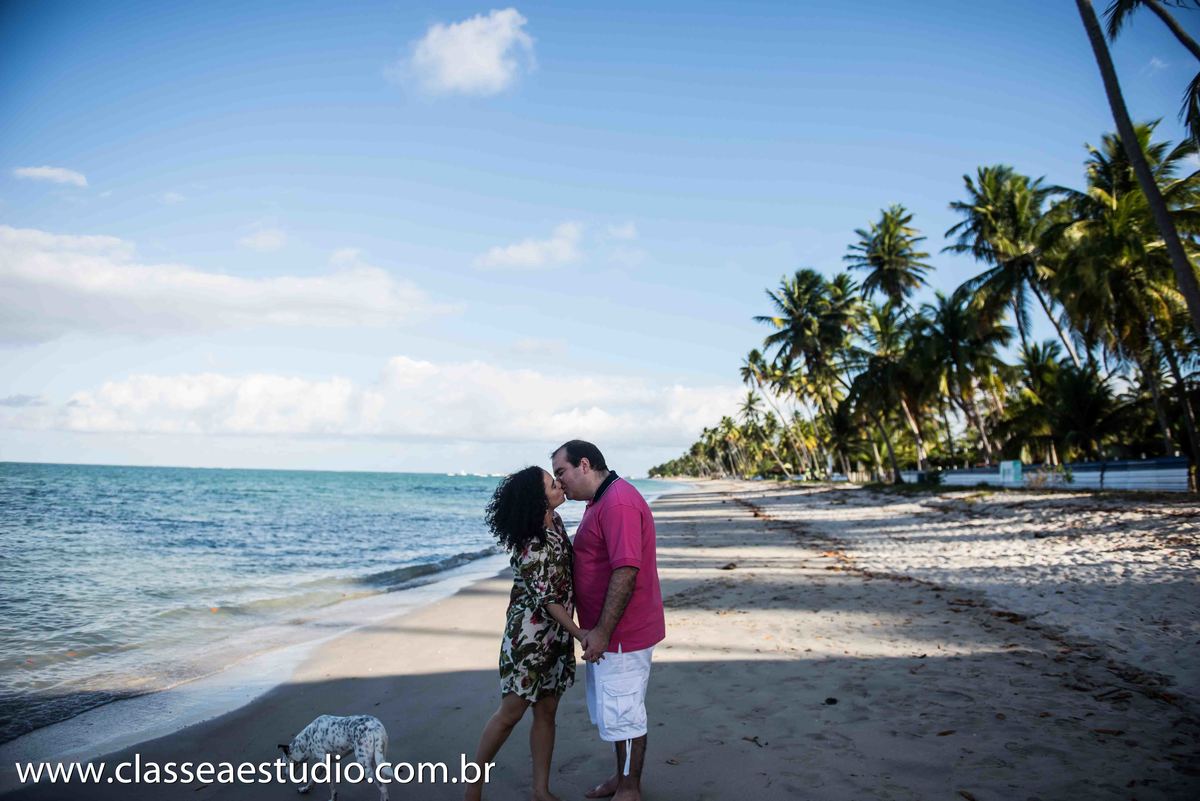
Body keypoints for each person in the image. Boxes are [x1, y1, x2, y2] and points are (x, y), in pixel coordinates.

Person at [550, 441, 665, 801]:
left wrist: (602, 632)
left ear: (584, 464)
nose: (560, 482)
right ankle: (622, 778)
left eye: (561, 473)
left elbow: (626, 571)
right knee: (615, 711)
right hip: (611, 632)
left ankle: (629, 789)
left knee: (625, 712)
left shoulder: (617, 503)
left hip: (622, 634)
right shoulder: (600, 500)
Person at [464, 466, 585, 801]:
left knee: (547, 712)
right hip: (528, 641)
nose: (559, 484)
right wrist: (580, 633)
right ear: (537, 499)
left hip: (556, 637)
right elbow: (547, 599)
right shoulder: (530, 541)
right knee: (510, 714)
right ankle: (473, 788)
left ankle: (540, 790)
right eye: (551, 483)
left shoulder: (555, 523)